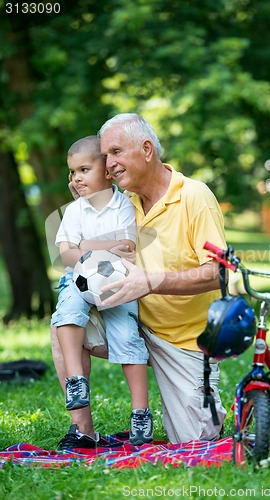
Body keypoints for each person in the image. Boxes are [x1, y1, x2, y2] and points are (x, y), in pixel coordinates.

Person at [51, 113, 227, 446]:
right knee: (65, 319)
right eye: (105, 156)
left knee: (196, 439)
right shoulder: (121, 200)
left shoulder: (194, 197)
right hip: (129, 320)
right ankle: (83, 430)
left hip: (183, 341)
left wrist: (150, 282)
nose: (109, 163)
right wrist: (81, 187)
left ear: (146, 149)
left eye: (116, 152)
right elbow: (75, 240)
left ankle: (188, 405)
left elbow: (219, 272)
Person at [50, 135, 153, 448]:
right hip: (78, 280)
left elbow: (128, 249)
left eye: (83, 169)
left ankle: (141, 414)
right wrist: (99, 247)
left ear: (107, 172)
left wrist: (83, 246)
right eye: (72, 172)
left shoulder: (122, 205)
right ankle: (76, 381)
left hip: (116, 282)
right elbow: (65, 256)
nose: (76, 178)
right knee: (66, 313)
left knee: (128, 338)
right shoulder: (75, 211)